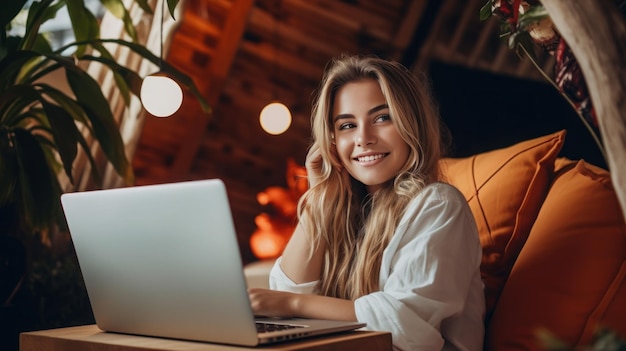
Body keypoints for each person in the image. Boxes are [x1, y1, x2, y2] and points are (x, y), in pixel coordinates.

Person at [248, 55, 485, 350]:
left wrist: (295, 304)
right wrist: (319, 197)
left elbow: (403, 324)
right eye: (347, 125)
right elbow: (282, 294)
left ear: (412, 125)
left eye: (382, 118)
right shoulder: (345, 208)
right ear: (331, 140)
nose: (363, 138)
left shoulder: (438, 204)